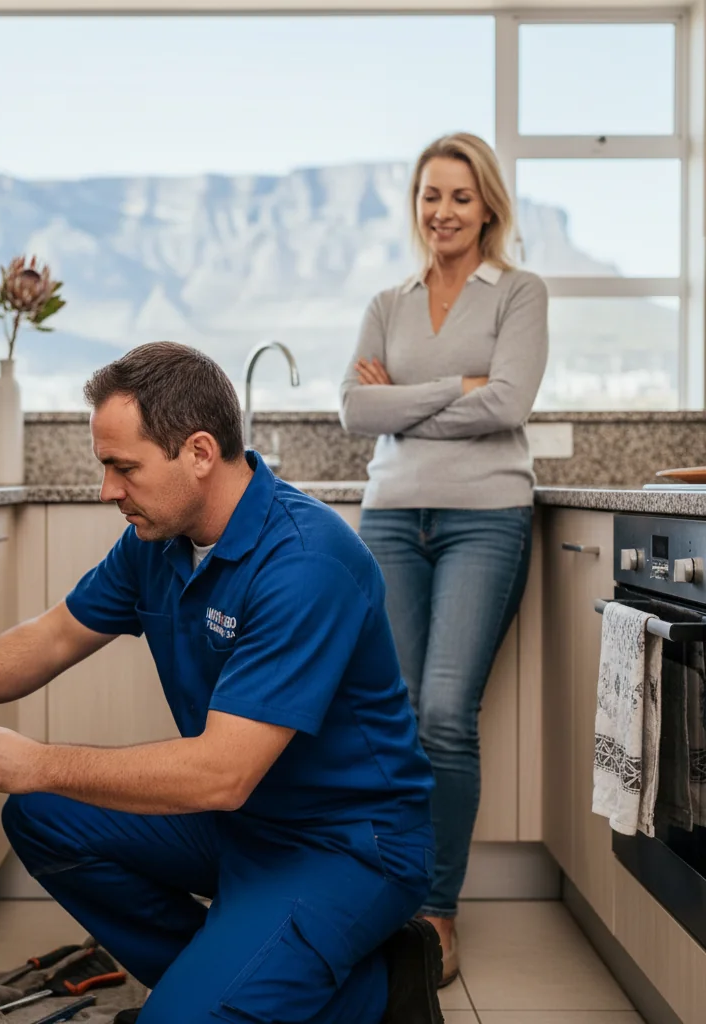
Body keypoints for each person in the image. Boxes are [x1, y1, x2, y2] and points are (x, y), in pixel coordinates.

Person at [0, 341, 443, 1024]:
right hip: (243, 822)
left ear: (199, 453)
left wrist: (40, 761)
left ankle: (372, 990)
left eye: (123, 467)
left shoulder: (305, 563)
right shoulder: (156, 543)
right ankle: (237, 971)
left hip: (345, 844)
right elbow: (53, 636)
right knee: (41, 815)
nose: (108, 490)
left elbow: (222, 773)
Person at [339, 133, 549, 986]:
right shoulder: (388, 300)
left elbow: (508, 402)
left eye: (461, 196)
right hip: (390, 519)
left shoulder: (519, 292)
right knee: (391, 716)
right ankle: (384, 894)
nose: (444, 212)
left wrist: (407, 402)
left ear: (487, 205)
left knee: (445, 714)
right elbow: (354, 408)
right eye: (431, 195)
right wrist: (450, 390)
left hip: (486, 519)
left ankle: (436, 909)